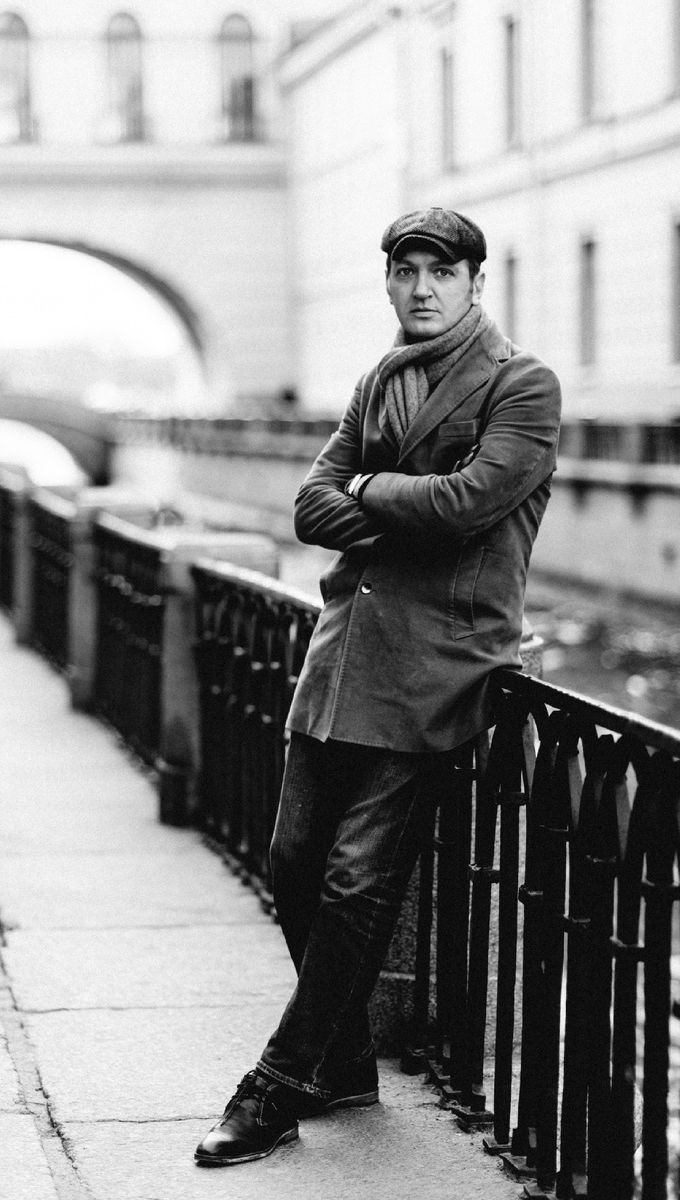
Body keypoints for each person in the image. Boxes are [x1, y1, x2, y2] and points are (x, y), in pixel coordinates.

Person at [194, 207, 561, 1167]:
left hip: (438, 663)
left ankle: (276, 1085)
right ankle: (346, 1058)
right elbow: (309, 506)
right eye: (406, 271)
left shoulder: (520, 383)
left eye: (442, 272)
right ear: (389, 281)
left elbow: (467, 506)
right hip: (343, 652)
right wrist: (390, 502)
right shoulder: (380, 379)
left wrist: (366, 489)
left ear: (475, 282)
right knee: (291, 863)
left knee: (357, 878)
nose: (422, 288)